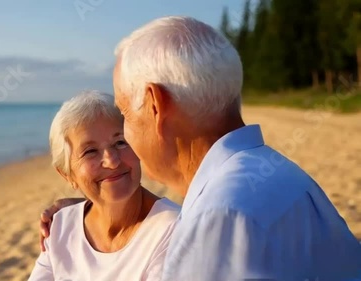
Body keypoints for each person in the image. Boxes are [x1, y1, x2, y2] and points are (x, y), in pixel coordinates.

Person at [39, 16, 361, 280]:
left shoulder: (219, 218)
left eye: (124, 113)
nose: (124, 133)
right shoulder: (278, 172)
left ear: (155, 105)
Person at [28, 90, 180, 281]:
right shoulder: (59, 228)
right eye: (90, 151)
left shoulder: (172, 229)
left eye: (120, 142)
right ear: (67, 175)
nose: (112, 161)